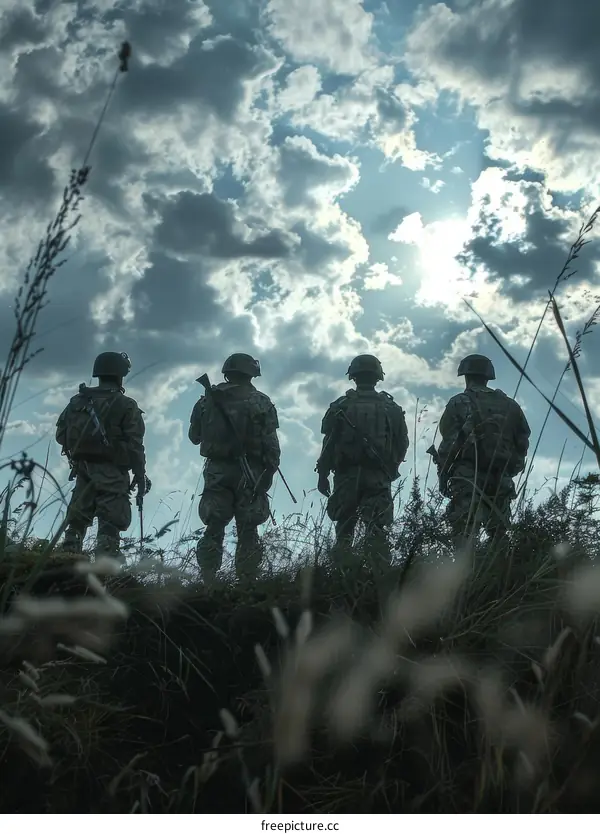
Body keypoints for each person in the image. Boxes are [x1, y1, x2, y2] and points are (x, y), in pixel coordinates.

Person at [188, 353, 280, 584]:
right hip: (251, 471)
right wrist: (269, 470)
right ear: (252, 374)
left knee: (214, 525)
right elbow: (271, 443)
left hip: (217, 470)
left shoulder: (206, 400)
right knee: (248, 528)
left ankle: (208, 578)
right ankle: (247, 580)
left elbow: (194, 437)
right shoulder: (261, 401)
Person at [316, 354, 409, 570]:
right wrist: (391, 467)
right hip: (378, 475)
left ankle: (342, 575)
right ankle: (379, 575)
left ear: (353, 376)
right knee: (377, 530)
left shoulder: (341, 406)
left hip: (346, 475)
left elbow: (328, 443)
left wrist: (322, 475)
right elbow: (402, 443)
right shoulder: (391, 407)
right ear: (378, 376)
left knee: (344, 528)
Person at [56, 351, 150, 558]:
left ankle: (67, 562)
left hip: (83, 469)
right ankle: (105, 571)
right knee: (110, 523)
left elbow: (61, 435)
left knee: (77, 520)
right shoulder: (126, 404)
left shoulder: (77, 402)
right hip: (113, 471)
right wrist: (140, 474)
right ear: (120, 374)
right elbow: (135, 444)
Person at [435, 354, 531, 549]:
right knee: (499, 532)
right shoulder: (510, 405)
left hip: (467, 476)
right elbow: (522, 441)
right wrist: (509, 469)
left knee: (465, 532)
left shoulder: (458, 402)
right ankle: (501, 575)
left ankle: (464, 576)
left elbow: (449, 443)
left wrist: (444, 474)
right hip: (500, 476)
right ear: (488, 376)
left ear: (465, 375)